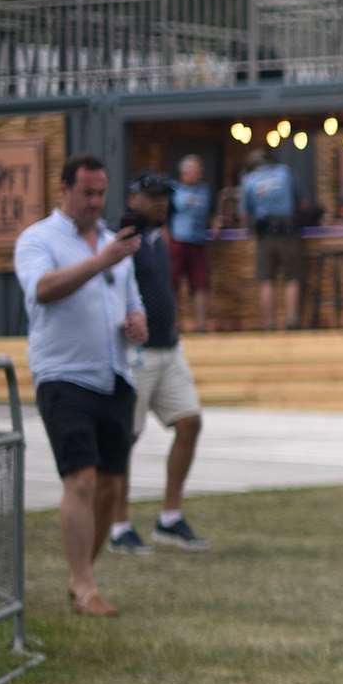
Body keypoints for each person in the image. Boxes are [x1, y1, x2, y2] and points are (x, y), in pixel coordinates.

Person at [13, 155, 144, 617]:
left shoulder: (113, 243)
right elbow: (43, 289)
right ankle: (86, 586)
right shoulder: (38, 240)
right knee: (81, 478)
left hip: (115, 376)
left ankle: (79, 575)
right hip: (64, 376)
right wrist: (100, 261)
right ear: (64, 190)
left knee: (110, 485)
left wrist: (136, 322)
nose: (94, 202)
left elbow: (132, 300)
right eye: (86, 193)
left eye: (100, 193)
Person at [108, 174, 210, 555]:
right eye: (153, 197)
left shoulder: (158, 239)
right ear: (133, 196)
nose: (161, 204)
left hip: (169, 347)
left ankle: (169, 518)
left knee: (189, 421)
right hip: (136, 353)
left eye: (166, 197)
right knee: (125, 439)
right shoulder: (120, 238)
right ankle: (119, 526)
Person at [238, 148, 302, 329]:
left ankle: (269, 322)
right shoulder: (285, 173)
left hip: (264, 233)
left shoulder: (249, 180)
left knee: (266, 279)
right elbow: (301, 202)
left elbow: (243, 214)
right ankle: (291, 320)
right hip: (288, 231)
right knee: (292, 278)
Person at [167, 153, 215, 334]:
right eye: (194, 170)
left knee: (200, 283)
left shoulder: (205, 191)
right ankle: (175, 323)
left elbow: (210, 214)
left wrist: (215, 224)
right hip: (178, 241)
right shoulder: (174, 190)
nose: (198, 173)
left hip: (198, 242)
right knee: (174, 284)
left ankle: (201, 324)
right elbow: (166, 216)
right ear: (184, 172)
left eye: (199, 170)